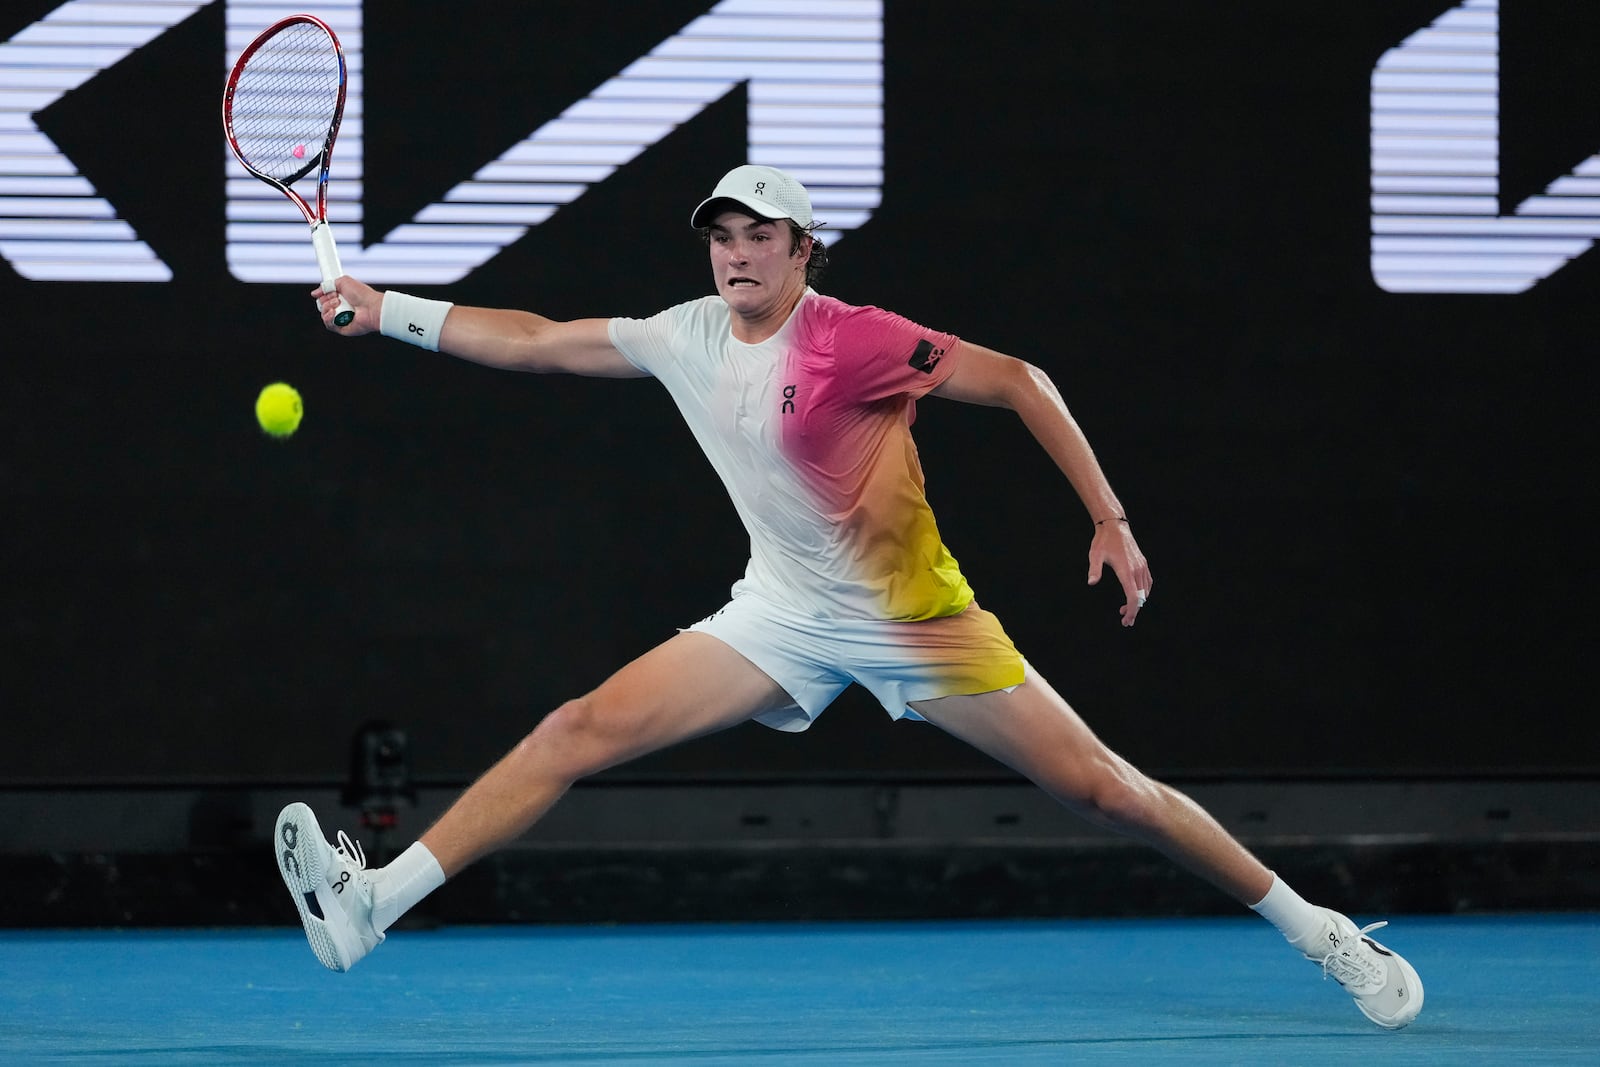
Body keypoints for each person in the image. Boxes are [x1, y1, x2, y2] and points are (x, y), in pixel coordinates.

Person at [274, 164, 1422, 1029]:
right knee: (576, 728)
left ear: (802, 251)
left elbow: (1021, 380)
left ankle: (1318, 930)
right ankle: (375, 901)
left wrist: (1109, 516)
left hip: (917, 622)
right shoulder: (685, 336)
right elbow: (534, 341)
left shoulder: (855, 341)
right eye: (720, 235)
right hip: (779, 613)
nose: (734, 253)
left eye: (758, 236)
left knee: (1107, 790)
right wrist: (391, 312)